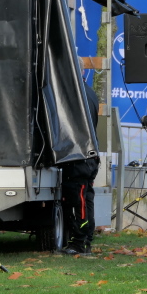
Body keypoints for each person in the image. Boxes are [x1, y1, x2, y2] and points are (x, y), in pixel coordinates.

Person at [60, 76, 100, 255]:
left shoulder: (75, 93)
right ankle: (85, 239)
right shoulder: (90, 92)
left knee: (80, 201)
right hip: (89, 153)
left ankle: (79, 241)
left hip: (79, 155)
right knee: (86, 198)